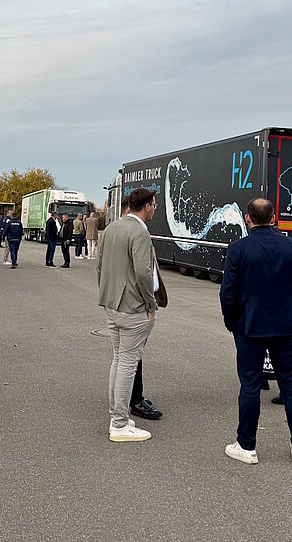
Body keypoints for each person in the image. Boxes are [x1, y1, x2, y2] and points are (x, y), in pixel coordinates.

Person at [220, 198, 292, 465]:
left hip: (249, 326)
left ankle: (247, 445)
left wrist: (231, 321)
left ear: (248, 219)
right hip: (284, 326)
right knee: (291, 385)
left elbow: (228, 292)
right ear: (274, 217)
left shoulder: (238, 249)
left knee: (249, 385)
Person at [97, 187, 159, 442]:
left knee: (118, 359)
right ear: (146, 206)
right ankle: (120, 424)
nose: (155, 208)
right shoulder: (140, 233)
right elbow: (144, 272)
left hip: (111, 303)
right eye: (154, 204)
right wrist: (150, 303)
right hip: (133, 307)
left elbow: (100, 264)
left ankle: (117, 415)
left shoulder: (112, 228)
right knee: (128, 364)